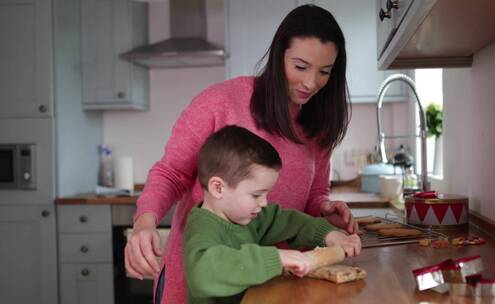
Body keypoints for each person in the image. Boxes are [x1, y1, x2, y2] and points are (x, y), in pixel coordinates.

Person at [125, 4, 358, 303]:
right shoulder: (221, 102)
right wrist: (145, 222)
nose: (311, 82)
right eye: (300, 67)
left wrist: (324, 209)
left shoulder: (318, 125)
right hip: (199, 285)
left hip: (274, 284)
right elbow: (172, 172)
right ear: (278, 57)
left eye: (324, 72)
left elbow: (312, 194)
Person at [184, 125, 361, 303]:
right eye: (256, 195)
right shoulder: (202, 228)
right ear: (218, 188)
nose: (264, 203)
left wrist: (328, 234)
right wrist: (275, 258)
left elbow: (291, 222)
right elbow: (204, 272)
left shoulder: (248, 216)